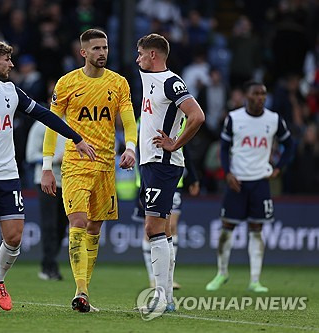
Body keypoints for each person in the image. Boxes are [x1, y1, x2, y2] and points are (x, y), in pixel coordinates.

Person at [0, 40, 95, 314]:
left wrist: (76, 137)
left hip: (8, 176)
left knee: (14, 238)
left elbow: (45, 115)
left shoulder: (12, 92)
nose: (11, 65)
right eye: (6, 60)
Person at [41, 28, 137, 312]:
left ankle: (84, 290)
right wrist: (47, 167)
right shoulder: (67, 83)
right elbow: (51, 124)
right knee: (79, 222)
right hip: (75, 164)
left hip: (106, 165)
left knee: (95, 227)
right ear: (83, 52)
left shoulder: (118, 83)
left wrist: (130, 147)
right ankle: (80, 290)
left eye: (105, 48)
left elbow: (129, 121)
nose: (102, 53)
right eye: (96, 49)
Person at [136, 33, 205, 312]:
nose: (137, 58)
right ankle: (167, 298)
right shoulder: (147, 78)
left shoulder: (171, 82)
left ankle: (162, 297)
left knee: (153, 228)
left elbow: (197, 115)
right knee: (161, 229)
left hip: (163, 163)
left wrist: (174, 143)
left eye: (140, 53)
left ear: (153, 55)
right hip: (151, 163)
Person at [206, 81, 293, 292]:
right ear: (247, 96)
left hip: (260, 182)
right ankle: (222, 273)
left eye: (264, 94)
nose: (261, 97)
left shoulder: (273, 120)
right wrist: (227, 173)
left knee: (257, 230)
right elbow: (224, 148)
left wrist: (279, 167)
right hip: (237, 181)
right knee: (227, 229)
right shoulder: (234, 118)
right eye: (256, 94)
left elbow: (289, 144)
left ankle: (255, 280)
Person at [26, 120, 67, 281]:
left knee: (62, 225)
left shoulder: (73, 121)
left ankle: (49, 262)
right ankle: (49, 265)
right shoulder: (41, 125)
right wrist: (56, 159)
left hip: (68, 181)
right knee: (49, 224)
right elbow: (31, 156)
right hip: (45, 180)